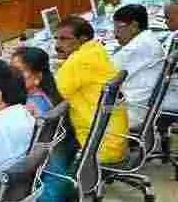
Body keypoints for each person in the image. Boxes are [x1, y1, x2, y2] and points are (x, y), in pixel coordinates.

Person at [54, 16, 129, 164]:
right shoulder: (96, 50)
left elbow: (53, 96)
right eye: (56, 39)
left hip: (98, 147)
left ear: (82, 39)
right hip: (113, 140)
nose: (57, 45)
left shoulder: (78, 61)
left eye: (64, 39)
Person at [12, 46, 71, 202]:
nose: (12, 76)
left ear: (37, 77)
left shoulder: (32, 108)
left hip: (44, 191)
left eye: (19, 71)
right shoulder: (45, 97)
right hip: (57, 182)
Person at [110, 4, 165, 123]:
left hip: (132, 112)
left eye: (118, 28)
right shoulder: (148, 39)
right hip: (144, 106)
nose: (115, 33)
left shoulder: (133, 49)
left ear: (134, 26)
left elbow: (105, 74)